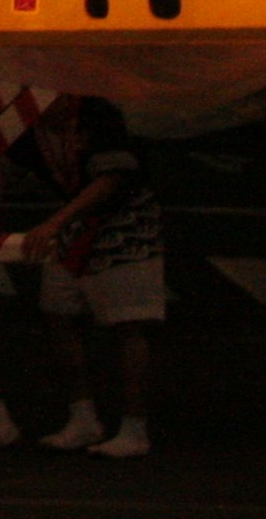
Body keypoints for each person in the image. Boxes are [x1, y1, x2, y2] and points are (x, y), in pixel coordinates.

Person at [21, 93, 162, 456]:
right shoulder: (25, 121)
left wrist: (56, 222)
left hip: (123, 221)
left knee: (129, 322)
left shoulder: (99, 113)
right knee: (57, 313)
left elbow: (112, 179)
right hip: (74, 220)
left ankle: (134, 426)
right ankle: (82, 415)